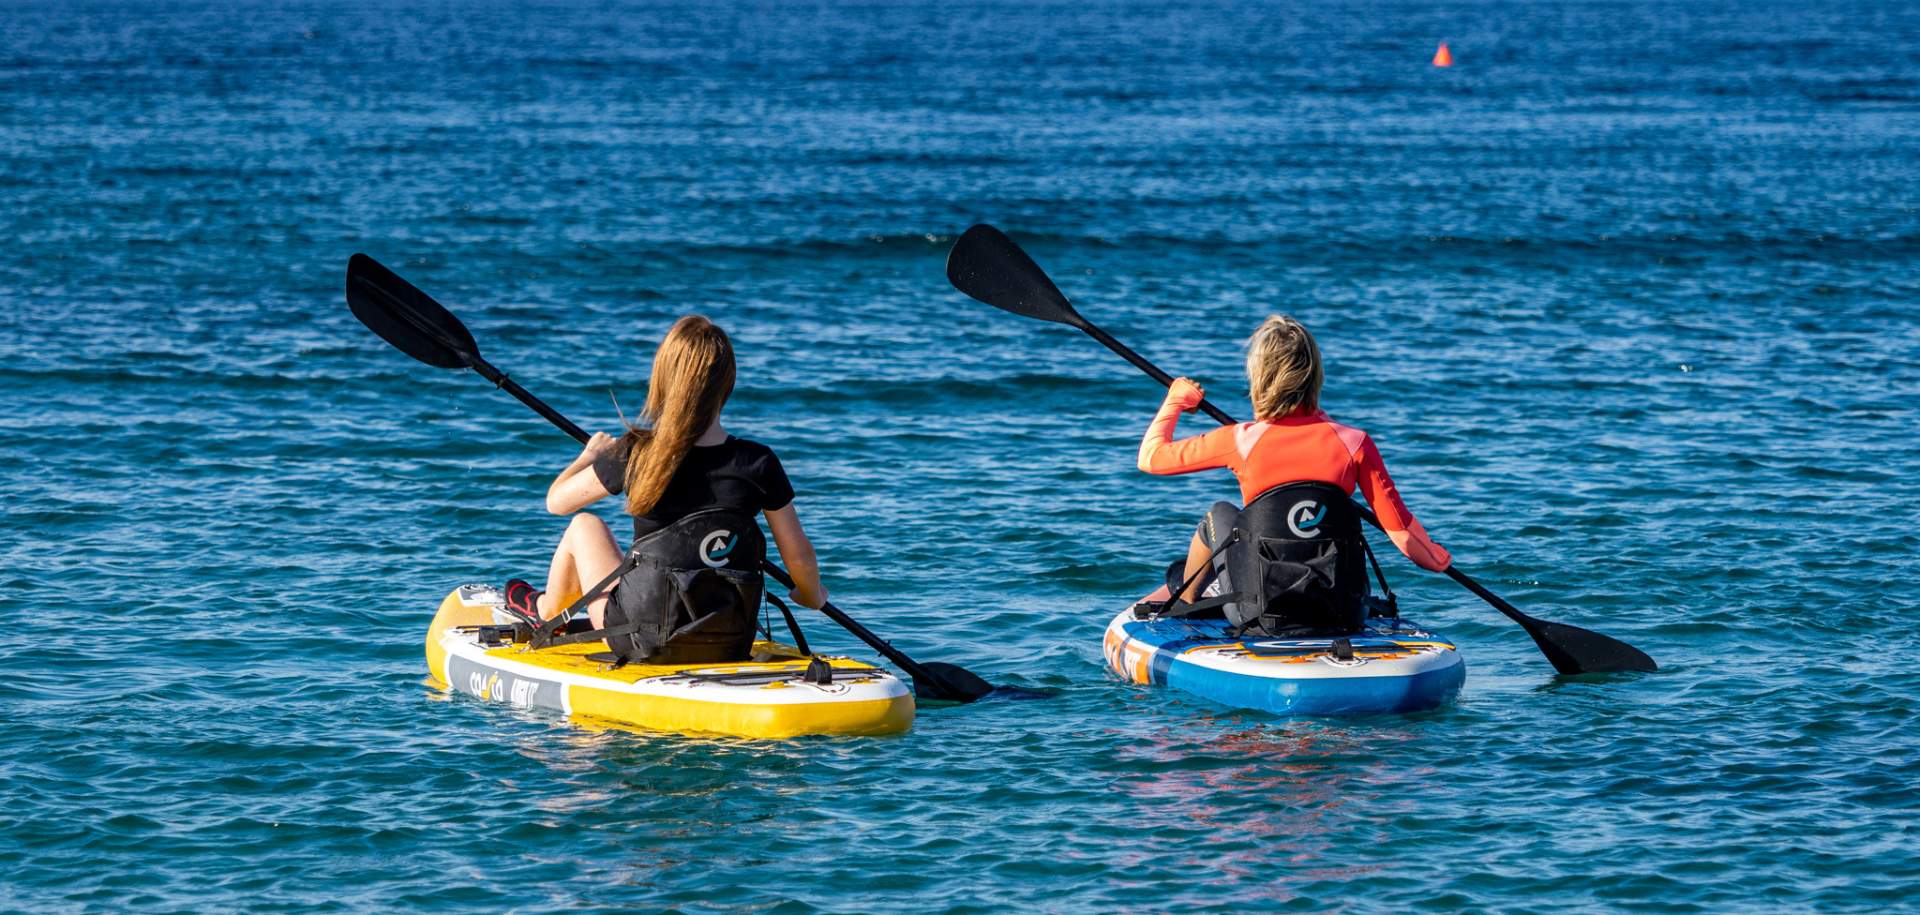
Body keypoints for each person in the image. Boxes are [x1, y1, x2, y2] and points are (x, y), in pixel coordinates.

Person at [502, 315, 825, 655]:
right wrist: (811, 595)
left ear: (663, 380)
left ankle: (547, 612)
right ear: (728, 383)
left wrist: (589, 456)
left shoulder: (637, 452)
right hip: (730, 636)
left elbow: (557, 502)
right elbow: (798, 557)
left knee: (584, 525)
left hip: (640, 636)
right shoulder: (759, 462)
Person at [1137, 315, 1450, 615]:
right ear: (1315, 376)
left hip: (1257, 610)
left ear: (1260, 378)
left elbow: (1150, 458)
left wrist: (1175, 400)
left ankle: (1185, 603)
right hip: (1344, 607)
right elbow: (1401, 531)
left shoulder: (1240, 440)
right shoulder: (1354, 442)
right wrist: (1433, 557)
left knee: (1218, 514)